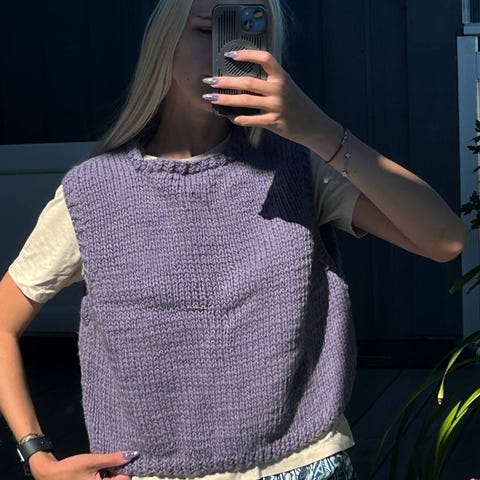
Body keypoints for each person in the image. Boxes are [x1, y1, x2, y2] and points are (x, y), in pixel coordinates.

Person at [0, 0, 467, 479]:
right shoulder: (95, 191)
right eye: (210, 30)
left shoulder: (298, 167)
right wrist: (38, 457)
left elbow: (445, 240)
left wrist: (320, 131)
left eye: (249, 35)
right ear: (164, 40)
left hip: (306, 465)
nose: (231, 52)